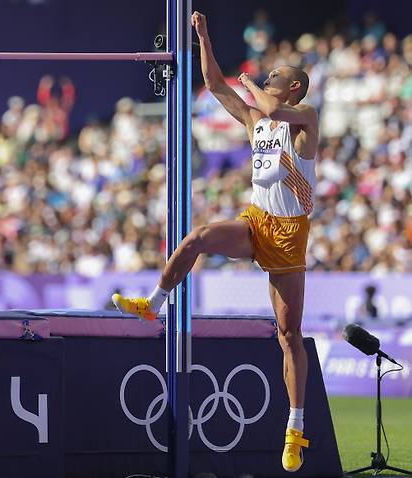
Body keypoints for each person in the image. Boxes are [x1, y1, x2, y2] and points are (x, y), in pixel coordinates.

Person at [112, 11, 319, 473]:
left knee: (289, 336)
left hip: (288, 236)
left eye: (275, 77)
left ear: (294, 88)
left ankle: (295, 427)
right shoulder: (257, 123)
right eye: (266, 77)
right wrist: (203, 37)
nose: (266, 79)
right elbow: (214, 83)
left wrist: (250, 86)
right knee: (197, 238)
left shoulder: (303, 118)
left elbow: (266, 105)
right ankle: (153, 303)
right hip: (256, 219)